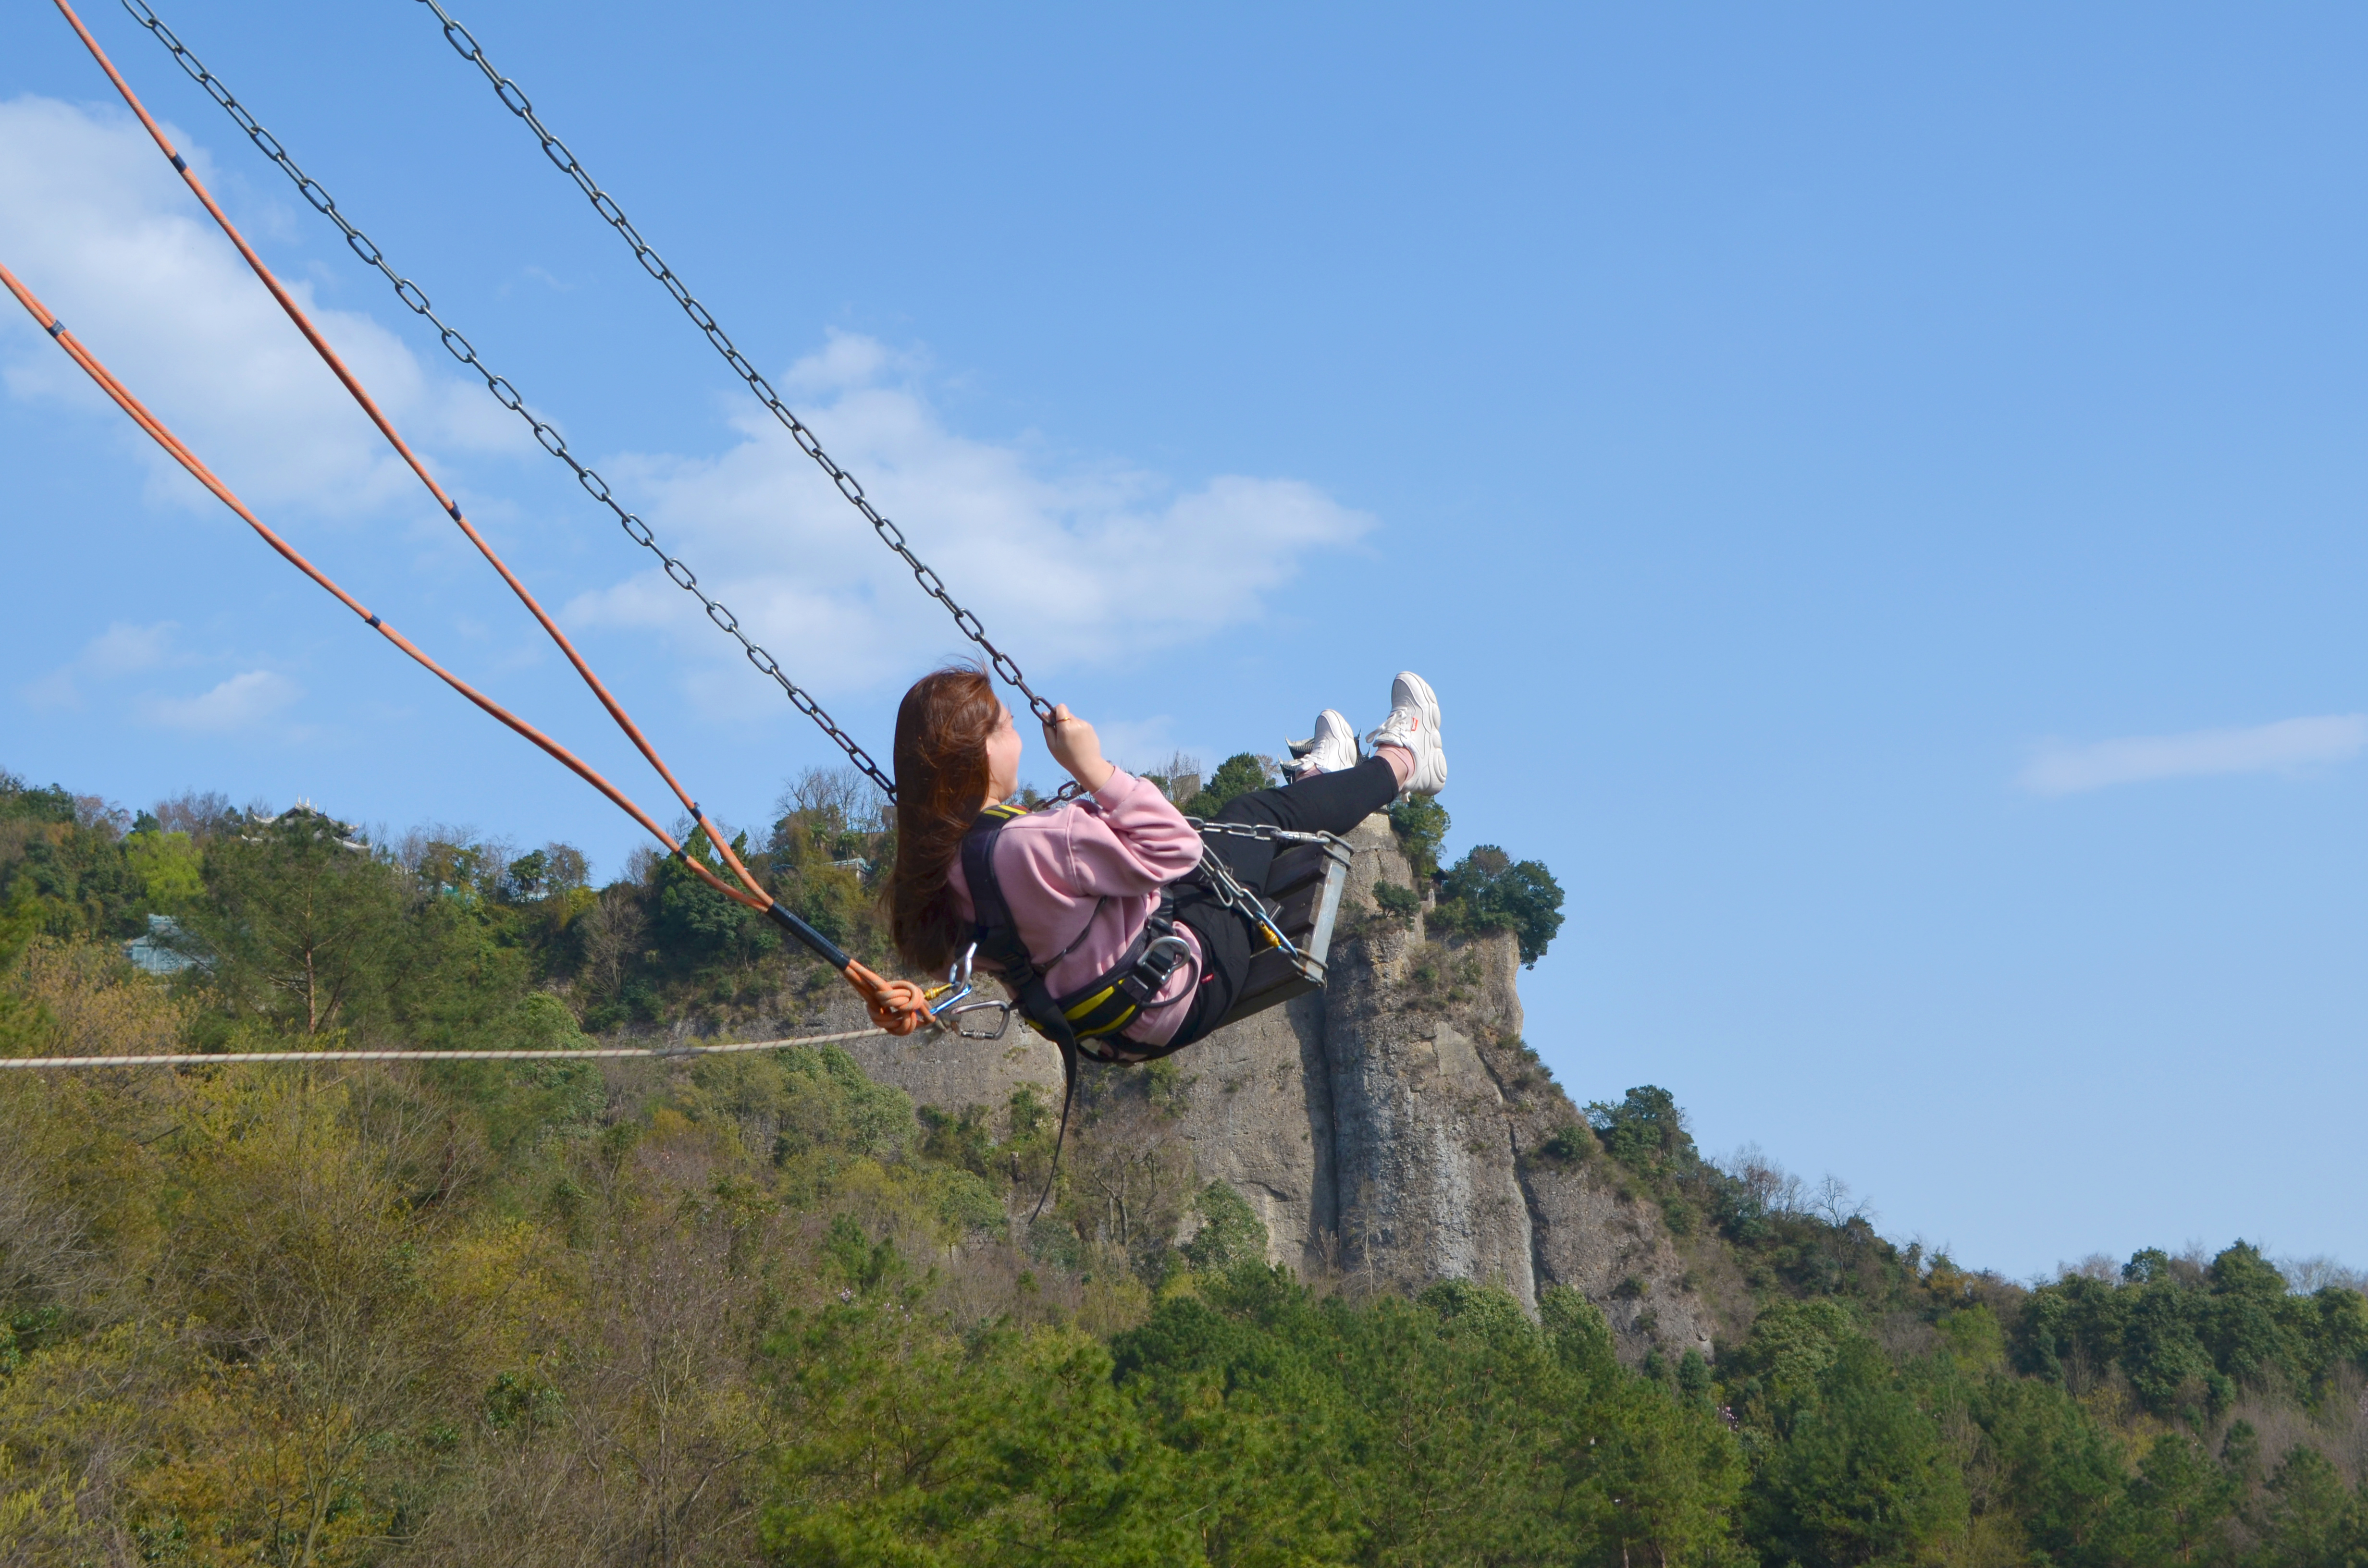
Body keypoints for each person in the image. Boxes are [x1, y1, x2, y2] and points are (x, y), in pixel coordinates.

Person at [887, 666, 1448, 1060]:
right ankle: (1401, 761)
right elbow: (1177, 847)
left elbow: (952, 960)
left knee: (1246, 830)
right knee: (1251, 814)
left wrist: (921, 998)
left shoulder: (942, 863)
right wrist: (1094, 770)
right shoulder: (1037, 841)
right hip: (1182, 990)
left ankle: (1321, 779)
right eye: (1007, 727)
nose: (1019, 739)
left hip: (1102, 1032)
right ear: (982, 751)